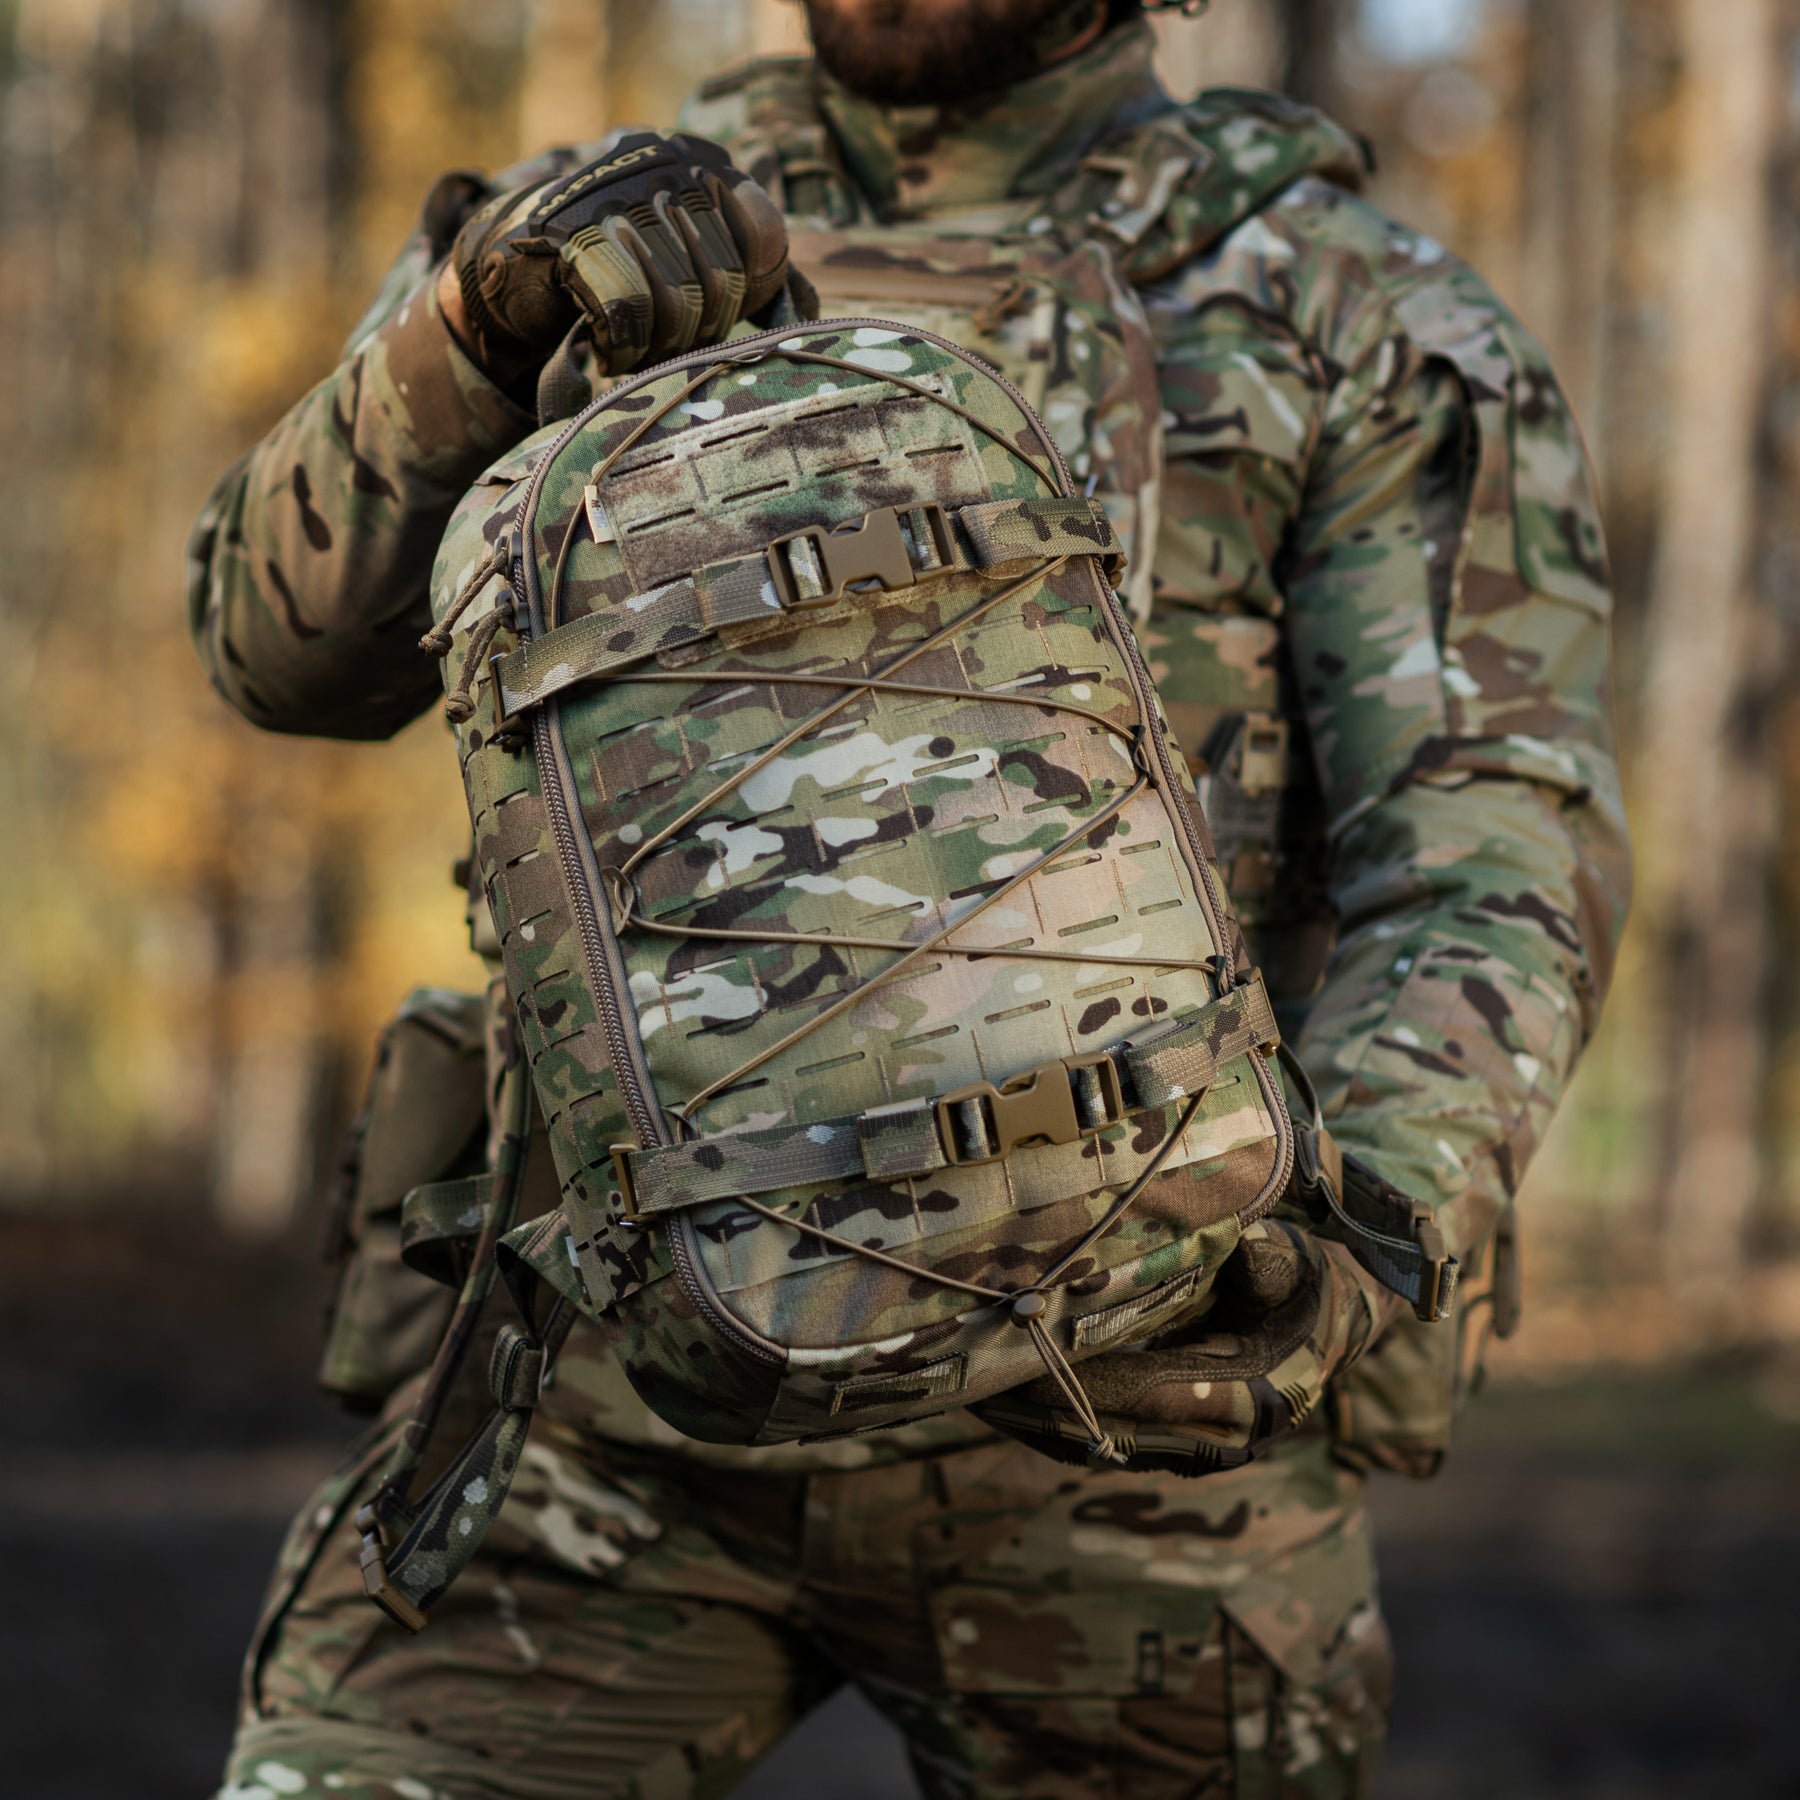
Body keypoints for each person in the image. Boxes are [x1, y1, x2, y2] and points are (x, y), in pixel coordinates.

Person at [191, 2, 1628, 1795]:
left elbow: (1489, 849)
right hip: (598, 1421)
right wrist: (469, 337)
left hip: (1138, 1417)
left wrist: (1357, 1233)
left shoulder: (1346, 312)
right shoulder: (584, 248)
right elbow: (274, 651)